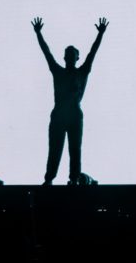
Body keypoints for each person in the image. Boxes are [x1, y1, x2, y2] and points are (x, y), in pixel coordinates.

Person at [33, 16, 108, 185]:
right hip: (59, 115)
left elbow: (92, 53)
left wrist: (100, 34)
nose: (69, 57)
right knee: (55, 149)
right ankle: (49, 179)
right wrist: (38, 33)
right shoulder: (58, 71)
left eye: (72, 54)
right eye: (67, 54)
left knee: (75, 150)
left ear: (76, 58)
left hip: (74, 115)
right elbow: (46, 53)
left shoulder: (82, 72)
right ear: (65, 57)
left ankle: (73, 179)